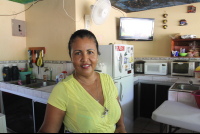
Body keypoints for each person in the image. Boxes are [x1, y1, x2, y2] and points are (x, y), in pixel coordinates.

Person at [38, 30, 126, 133]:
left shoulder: (108, 80)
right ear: (71, 57)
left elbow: (116, 104)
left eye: (90, 52)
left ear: (97, 55)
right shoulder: (63, 89)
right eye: (78, 53)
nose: (85, 59)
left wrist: (121, 126)